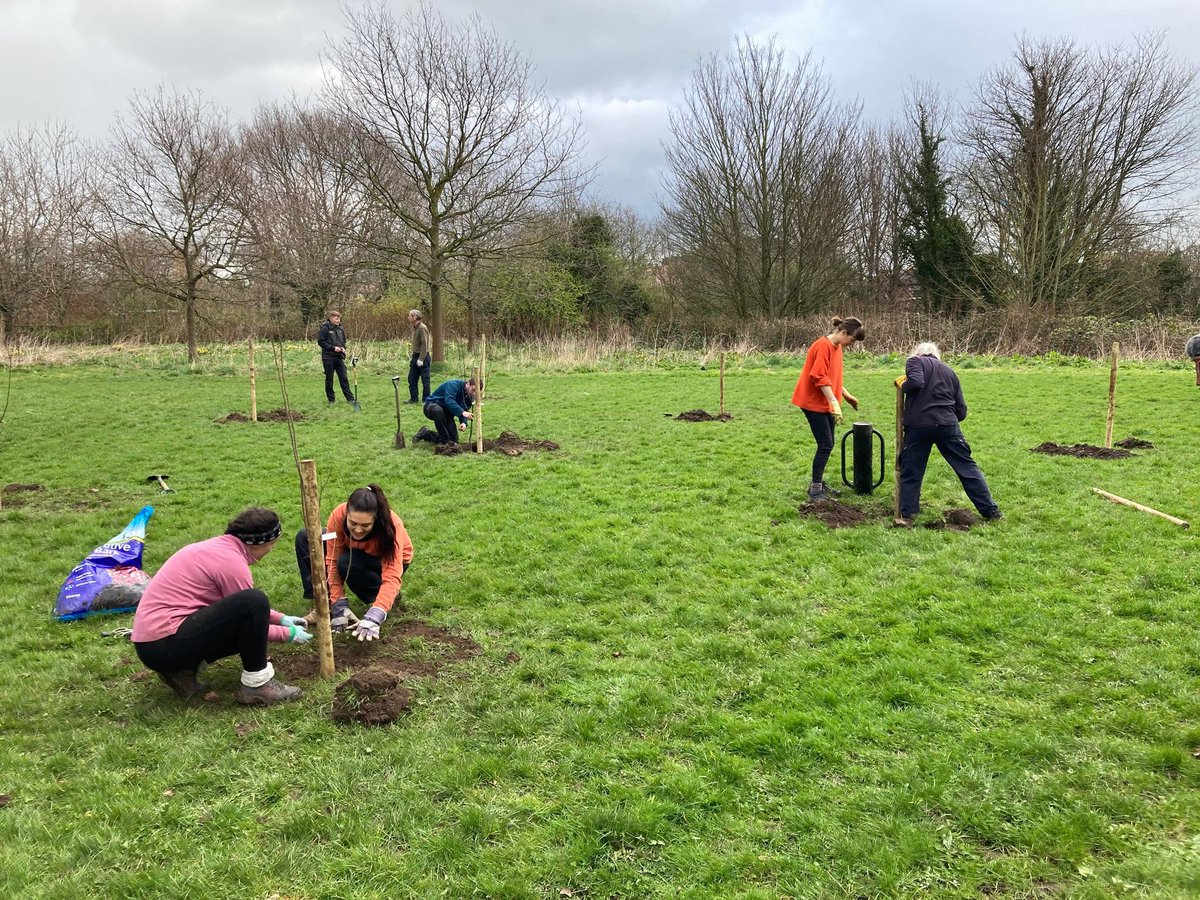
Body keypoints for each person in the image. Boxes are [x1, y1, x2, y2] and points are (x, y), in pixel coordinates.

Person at [131, 508, 307, 706]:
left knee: (250, 606)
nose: (272, 549)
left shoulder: (219, 549)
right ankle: (258, 684)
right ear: (257, 544)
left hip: (153, 644)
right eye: (272, 544)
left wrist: (282, 618)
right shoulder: (231, 563)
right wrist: (287, 634)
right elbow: (250, 612)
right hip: (163, 644)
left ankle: (179, 671)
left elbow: (240, 612)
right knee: (254, 600)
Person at [894, 342, 1002, 527]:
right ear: (937, 355)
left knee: (912, 471)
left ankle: (908, 514)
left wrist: (904, 384)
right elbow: (961, 410)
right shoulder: (950, 372)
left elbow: (917, 382)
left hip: (919, 426)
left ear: (919, 353)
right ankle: (991, 511)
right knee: (967, 468)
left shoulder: (914, 361)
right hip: (947, 425)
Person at [295, 484, 414, 642]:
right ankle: (323, 605)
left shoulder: (391, 527)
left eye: (365, 525)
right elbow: (332, 560)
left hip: (382, 561)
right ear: (347, 514)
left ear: (376, 519)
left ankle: (382, 597)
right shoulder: (338, 515)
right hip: (351, 551)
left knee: (347, 563)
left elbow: (392, 576)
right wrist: (338, 603)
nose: (358, 530)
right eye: (353, 523)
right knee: (306, 538)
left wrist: (376, 615)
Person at [791, 316, 863, 501]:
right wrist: (834, 402)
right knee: (825, 444)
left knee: (828, 444)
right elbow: (819, 377)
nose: (852, 344)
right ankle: (815, 489)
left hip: (825, 403)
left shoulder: (837, 347)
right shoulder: (823, 346)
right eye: (852, 340)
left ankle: (819, 483)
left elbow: (832, 376)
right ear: (844, 332)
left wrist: (845, 395)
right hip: (812, 402)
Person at [416, 376, 478, 445]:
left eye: (476, 392)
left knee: (454, 440)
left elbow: (465, 409)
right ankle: (445, 442)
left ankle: (426, 433)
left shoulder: (470, 396)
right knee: (438, 411)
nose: (474, 393)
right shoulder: (454, 385)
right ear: (468, 384)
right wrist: (462, 412)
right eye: (473, 390)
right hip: (432, 406)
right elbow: (449, 401)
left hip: (447, 413)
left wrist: (463, 423)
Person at [317, 309, 355, 404]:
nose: (338, 320)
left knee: (344, 378)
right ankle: (331, 400)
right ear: (330, 318)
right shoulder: (325, 328)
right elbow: (321, 342)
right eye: (336, 318)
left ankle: (350, 399)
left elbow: (343, 341)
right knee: (329, 379)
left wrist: (343, 348)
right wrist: (333, 348)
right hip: (328, 357)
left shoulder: (340, 329)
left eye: (339, 318)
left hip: (339, 357)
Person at [407, 309, 432, 403]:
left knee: (425, 380)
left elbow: (425, 344)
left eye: (410, 315)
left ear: (415, 317)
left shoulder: (422, 328)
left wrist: (421, 359)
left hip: (423, 357)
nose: (408, 317)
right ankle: (414, 398)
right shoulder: (415, 327)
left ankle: (426, 399)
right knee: (412, 378)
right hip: (415, 356)